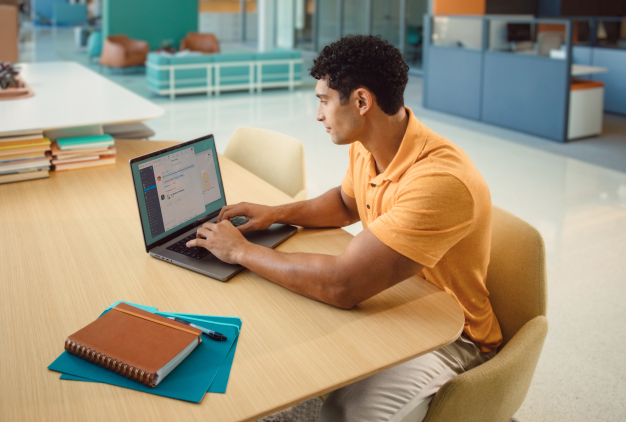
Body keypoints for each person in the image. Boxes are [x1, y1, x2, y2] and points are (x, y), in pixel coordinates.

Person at [186, 35, 503, 422]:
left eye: (323, 100)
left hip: (450, 333)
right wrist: (274, 213)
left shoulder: (440, 180)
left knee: (347, 411)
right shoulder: (369, 144)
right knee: (289, 325)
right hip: (397, 296)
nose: (318, 114)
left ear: (362, 102)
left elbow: (342, 285)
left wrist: (240, 251)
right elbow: (345, 203)